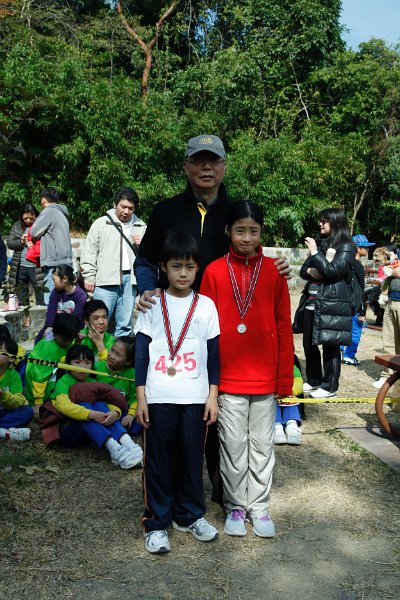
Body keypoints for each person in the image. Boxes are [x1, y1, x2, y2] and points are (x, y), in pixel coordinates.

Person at [135, 134, 290, 501]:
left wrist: (277, 264)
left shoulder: (235, 211)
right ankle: (175, 495)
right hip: (173, 325)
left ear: (224, 166)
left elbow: (250, 251)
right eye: (199, 160)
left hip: (219, 328)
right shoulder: (166, 210)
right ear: (186, 166)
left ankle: (226, 494)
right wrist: (147, 290)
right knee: (178, 410)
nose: (207, 167)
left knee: (215, 414)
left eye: (214, 160)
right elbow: (145, 260)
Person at [201, 201, 293, 538]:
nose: (246, 237)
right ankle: (236, 506)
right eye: (240, 230)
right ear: (228, 231)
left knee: (263, 446)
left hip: (265, 378)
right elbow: (205, 330)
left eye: (253, 231)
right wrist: (208, 381)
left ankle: (260, 506)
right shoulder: (213, 271)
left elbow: (283, 326)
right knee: (233, 445)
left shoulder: (274, 271)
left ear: (261, 233)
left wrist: (285, 379)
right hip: (228, 378)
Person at [135, 232, 220, 554]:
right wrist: (141, 398)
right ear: (163, 267)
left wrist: (212, 396)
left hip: (195, 398)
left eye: (189, 267)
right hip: (158, 395)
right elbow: (140, 355)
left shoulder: (206, 306)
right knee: (157, 461)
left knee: (191, 459)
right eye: (175, 266)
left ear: (198, 268)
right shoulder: (151, 304)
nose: (183, 274)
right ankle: (157, 522)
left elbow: (214, 356)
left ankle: (190, 515)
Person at [50, 344, 142, 468]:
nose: (82, 367)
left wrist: (115, 413)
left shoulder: (92, 381)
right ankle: (114, 449)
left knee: (99, 403)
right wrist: (91, 414)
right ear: (68, 363)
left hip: (89, 435)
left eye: (87, 363)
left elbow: (107, 402)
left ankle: (127, 442)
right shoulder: (64, 381)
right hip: (69, 434)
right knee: (84, 405)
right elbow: (63, 405)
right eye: (77, 362)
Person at [298, 208, 355, 399]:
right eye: (320, 221)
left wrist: (315, 253)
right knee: (309, 343)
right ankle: (314, 380)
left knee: (330, 344)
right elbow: (304, 270)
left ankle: (330, 387)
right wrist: (314, 270)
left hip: (332, 303)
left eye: (324, 221)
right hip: (311, 302)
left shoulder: (347, 246)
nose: (320, 224)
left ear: (336, 223)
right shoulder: (322, 243)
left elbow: (332, 271)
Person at [80, 187, 146, 337]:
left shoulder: (141, 226)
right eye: (123, 206)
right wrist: (89, 276)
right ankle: (94, 351)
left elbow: (150, 256)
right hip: (106, 279)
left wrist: (143, 246)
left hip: (130, 281)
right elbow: (90, 251)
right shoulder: (101, 223)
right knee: (99, 322)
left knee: (125, 325)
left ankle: (121, 351)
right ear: (115, 204)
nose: (126, 211)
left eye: (130, 208)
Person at [25, 313, 81, 419]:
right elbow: (39, 378)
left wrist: (78, 342)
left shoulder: (66, 339)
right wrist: (38, 403)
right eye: (65, 340)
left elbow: (71, 355)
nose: (68, 343)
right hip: (40, 391)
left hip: (53, 383)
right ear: (55, 333)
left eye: (71, 339)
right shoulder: (47, 350)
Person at [30, 188, 73, 304]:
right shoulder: (62, 212)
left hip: (54, 262)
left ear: (43, 200)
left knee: (51, 300)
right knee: (64, 300)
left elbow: (33, 232)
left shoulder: (49, 211)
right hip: (65, 260)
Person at [95, 336, 142, 437]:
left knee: (138, 423)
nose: (111, 356)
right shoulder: (97, 368)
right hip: (101, 409)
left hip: (122, 410)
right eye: (112, 350)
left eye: (118, 354)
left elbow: (135, 397)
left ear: (128, 361)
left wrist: (131, 415)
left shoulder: (131, 373)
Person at [341, 234, 374, 366]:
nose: (368, 249)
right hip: (355, 304)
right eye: (365, 247)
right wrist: (362, 310)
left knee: (344, 328)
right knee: (355, 330)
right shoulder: (358, 266)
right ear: (358, 248)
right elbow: (360, 289)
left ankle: (341, 351)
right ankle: (349, 356)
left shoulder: (344, 263)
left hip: (344, 302)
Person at [36, 265, 87, 342]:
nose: (53, 283)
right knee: (40, 338)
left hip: (73, 328)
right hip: (55, 326)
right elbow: (51, 310)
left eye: (54, 280)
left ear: (64, 279)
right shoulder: (55, 292)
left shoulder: (81, 295)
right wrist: (49, 326)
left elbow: (77, 317)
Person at [7, 203, 44, 307]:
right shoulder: (17, 226)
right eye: (25, 218)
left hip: (36, 267)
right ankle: (25, 316)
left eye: (31, 218)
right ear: (21, 216)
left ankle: (42, 315)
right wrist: (21, 242)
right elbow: (10, 243)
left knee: (41, 294)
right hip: (20, 267)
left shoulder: (41, 226)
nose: (28, 220)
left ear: (36, 216)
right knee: (21, 296)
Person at [0, 337, 33, 442]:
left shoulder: (14, 376)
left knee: (27, 412)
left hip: (3, 411)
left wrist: (4, 395)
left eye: (1, 350)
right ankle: (6, 432)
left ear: (11, 358)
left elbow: (18, 400)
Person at [274, 358, 304, 445]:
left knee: (292, 404)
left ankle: (292, 425)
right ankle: (276, 426)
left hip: (289, 396)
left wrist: (289, 391)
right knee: (272, 406)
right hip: (273, 397)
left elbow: (298, 384)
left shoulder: (293, 368)